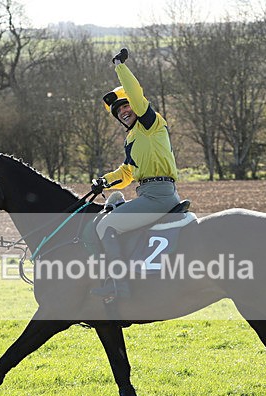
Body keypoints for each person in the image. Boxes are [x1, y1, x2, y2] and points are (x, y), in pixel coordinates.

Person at [91, 48, 182, 300]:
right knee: (112, 209)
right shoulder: (132, 138)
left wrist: (119, 66)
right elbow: (128, 173)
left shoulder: (150, 123)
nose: (122, 111)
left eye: (125, 106)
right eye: (118, 111)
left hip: (159, 197)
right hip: (148, 194)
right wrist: (104, 181)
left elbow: (135, 93)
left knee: (107, 225)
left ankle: (120, 288)